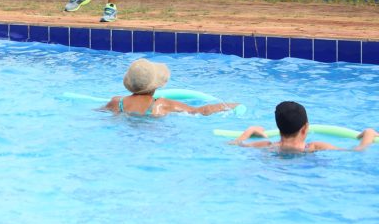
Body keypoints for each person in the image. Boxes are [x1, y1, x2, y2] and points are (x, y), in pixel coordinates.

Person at [104, 58, 239, 117]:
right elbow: (199, 111)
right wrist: (231, 105)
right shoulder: (162, 104)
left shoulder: (117, 102)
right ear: (155, 86)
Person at [232, 101, 377, 152]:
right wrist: (369, 134)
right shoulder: (315, 147)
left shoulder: (266, 145)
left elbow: (235, 144)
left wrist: (249, 130)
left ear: (279, 128)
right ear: (305, 128)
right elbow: (356, 151)